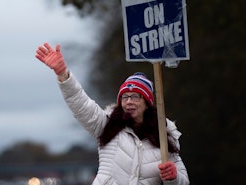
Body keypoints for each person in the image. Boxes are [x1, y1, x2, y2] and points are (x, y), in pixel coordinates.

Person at [35, 43, 190, 185]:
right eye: (124, 97)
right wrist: (63, 74)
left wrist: (173, 177)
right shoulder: (106, 125)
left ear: (147, 102)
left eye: (135, 97)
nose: (129, 101)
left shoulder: (165, 137)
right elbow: (80, 102)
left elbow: (183, 182)